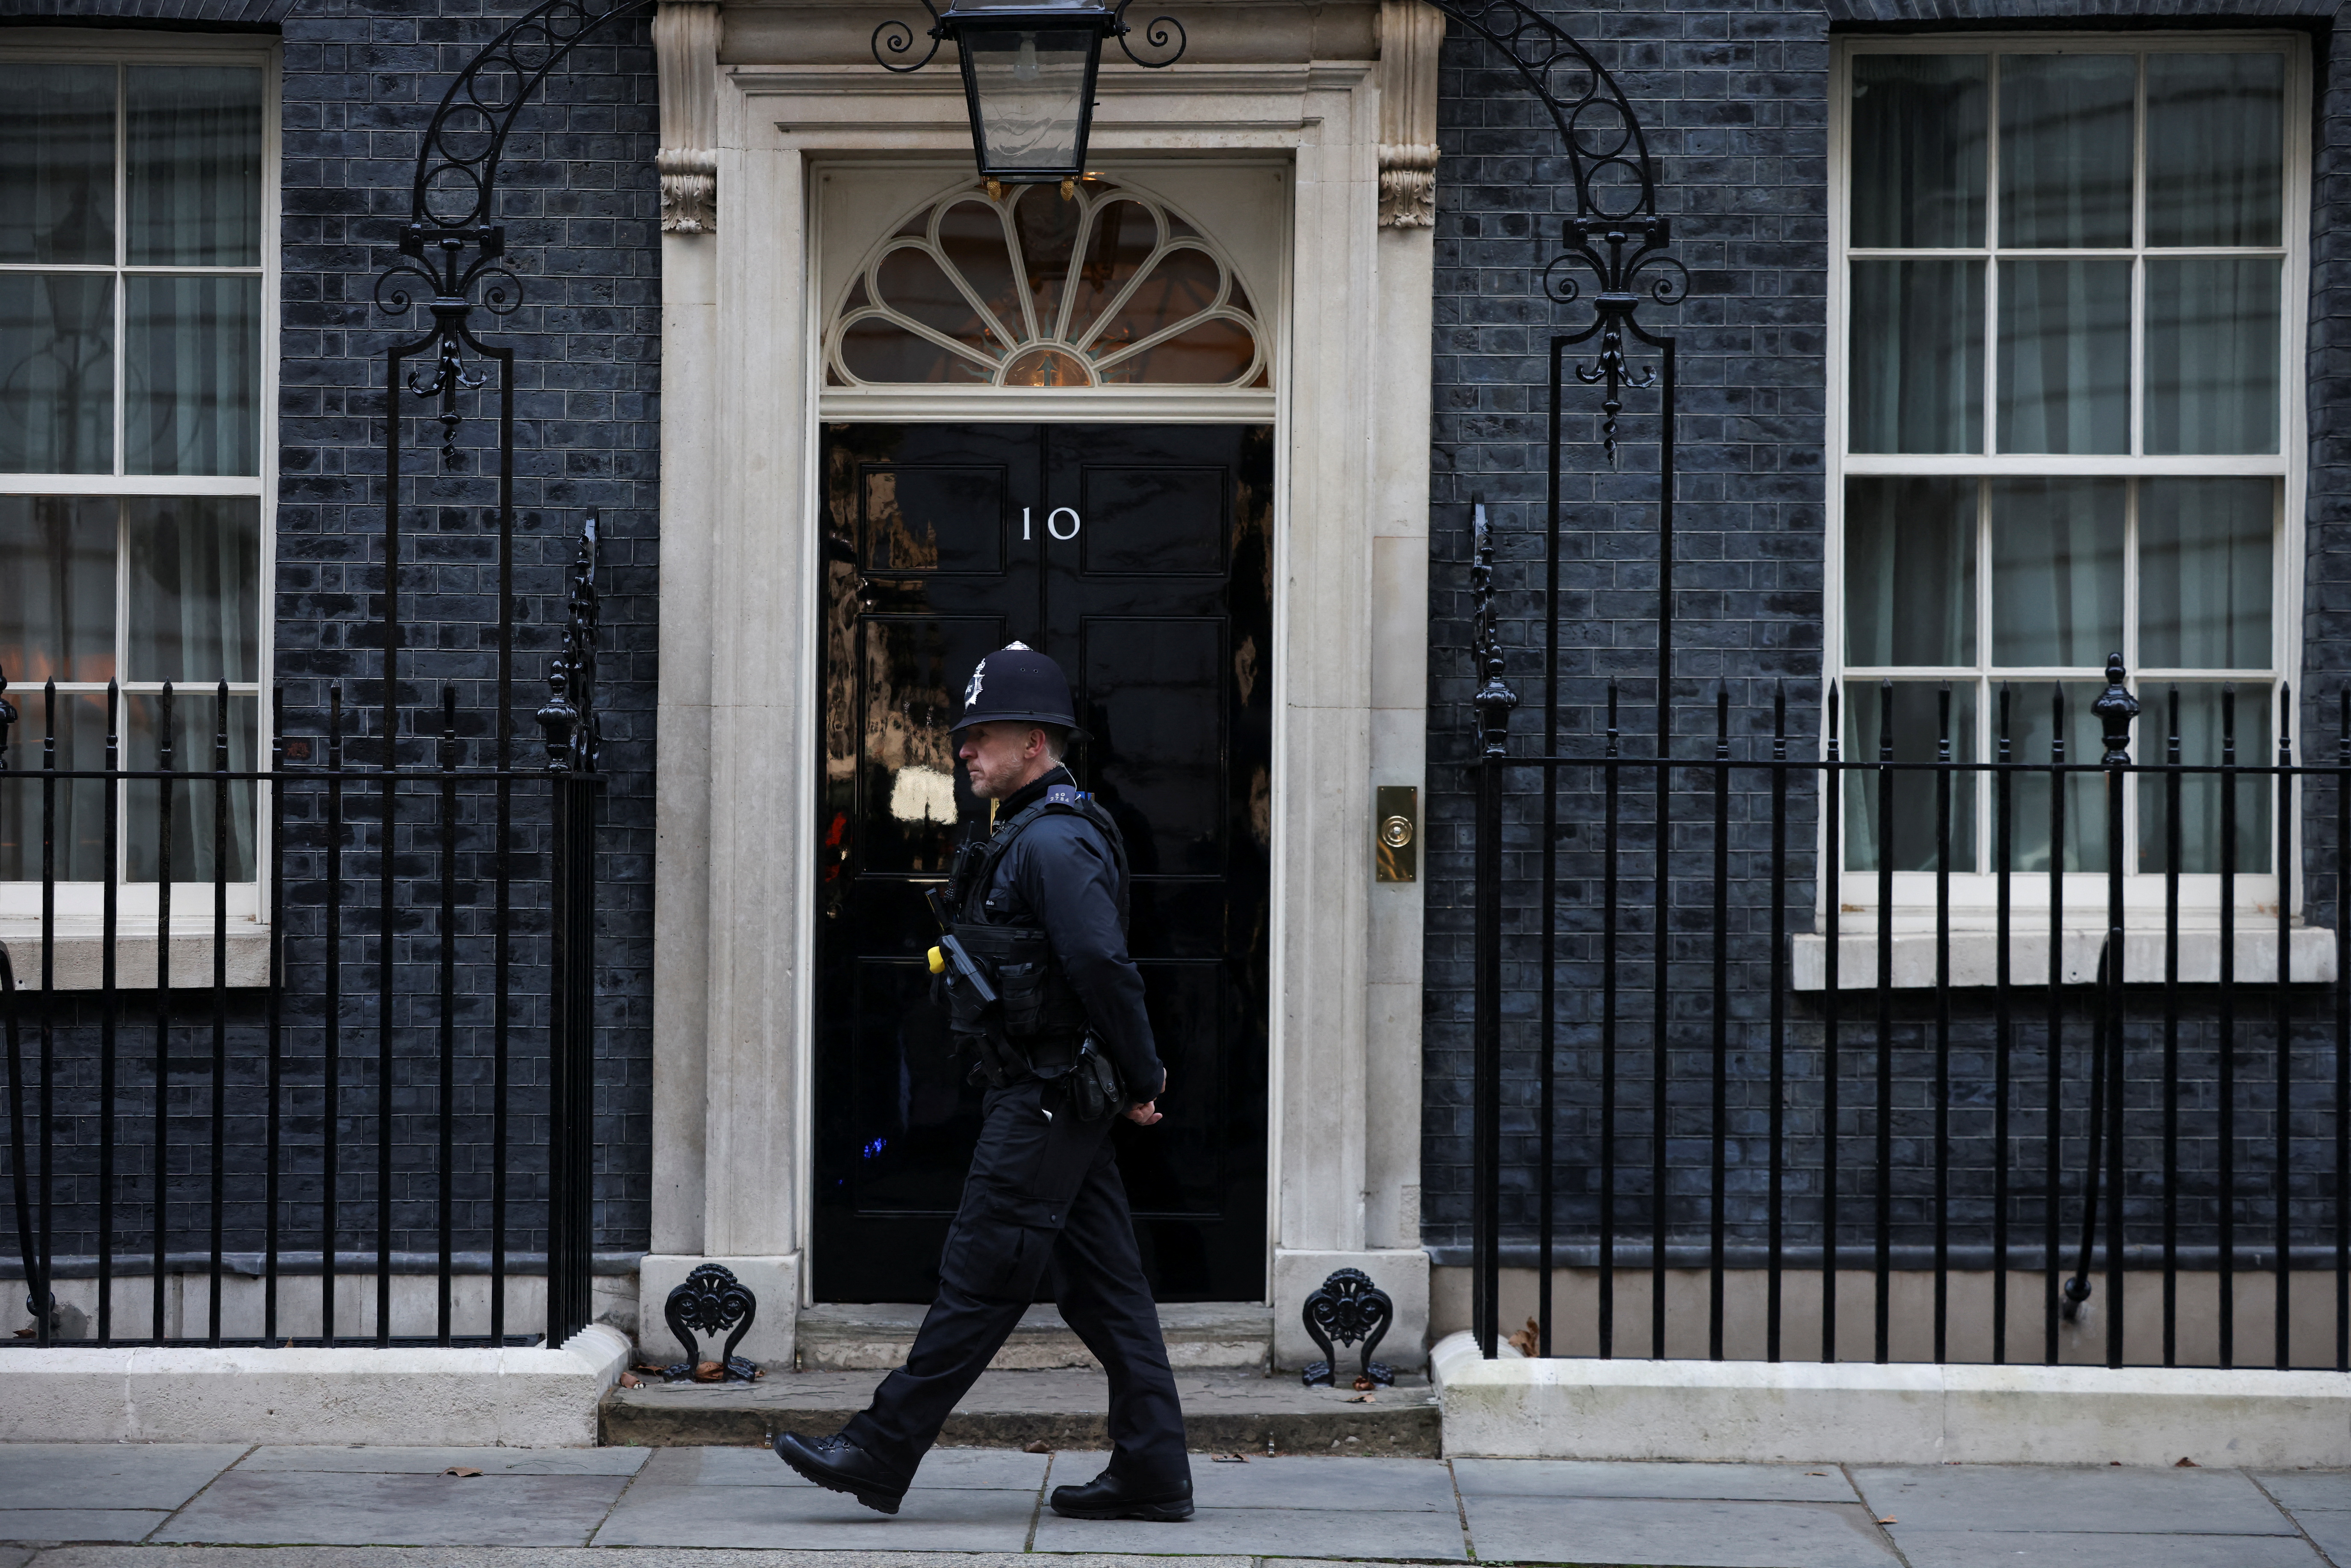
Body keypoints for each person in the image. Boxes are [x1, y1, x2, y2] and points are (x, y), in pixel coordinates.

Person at [774, 643, 1193, 1522]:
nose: (962, 749)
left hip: (1045, 1101)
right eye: (964, 736)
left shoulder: (1054, 839)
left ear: (1034, 741)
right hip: (1054, 1100)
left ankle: (881, 1448)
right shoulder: (1033, 832)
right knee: (1106, 1291)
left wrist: (1143, 1070)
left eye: (981, 735)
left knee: (981, 1274)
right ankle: (1153, 1466)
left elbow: (1099, 963)